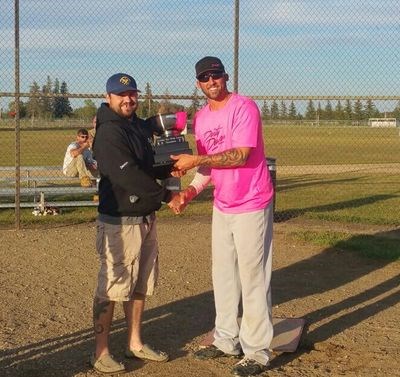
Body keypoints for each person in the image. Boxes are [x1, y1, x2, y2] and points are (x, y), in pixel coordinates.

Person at [169, 57, 275, 377]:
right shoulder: (201, 118)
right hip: (223, 204)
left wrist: (196, 159)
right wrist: (188, 193)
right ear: (198, 83)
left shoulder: (244, 107)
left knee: (253, 276)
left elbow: (240, 154)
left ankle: (257, 351)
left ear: (225, 77)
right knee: (224, 275)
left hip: (252, 202)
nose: (211, 80)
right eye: (205, 77)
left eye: (216, 75)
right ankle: (226, 339)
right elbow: (207, 168)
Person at [90, 73, 178, 374]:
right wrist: (168, 195)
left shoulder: (132, 124)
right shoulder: (109, 133)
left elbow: (149, 125)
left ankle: (135, 343)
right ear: (109, 97)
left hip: (145, 215)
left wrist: (178, 119)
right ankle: (101, 352)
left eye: (132, 94)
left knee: (140, 283)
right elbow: (127, 175)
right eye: (121, 94)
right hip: (119, 221)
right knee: (113, 287)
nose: (128, 99)